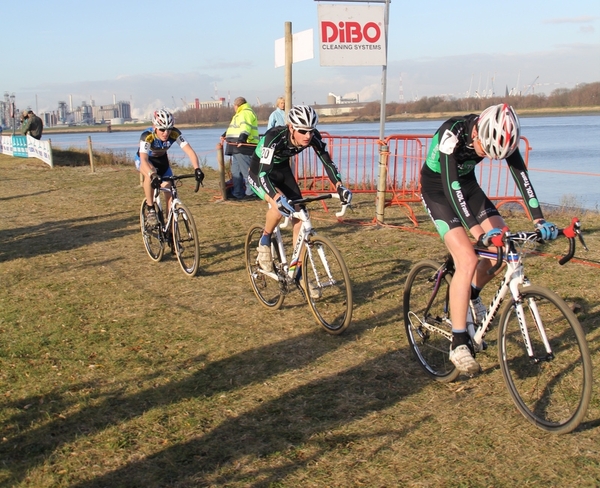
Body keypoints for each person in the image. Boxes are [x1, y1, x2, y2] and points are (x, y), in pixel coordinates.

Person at [420, 103, 559, 375]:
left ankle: (470, 294)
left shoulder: (503, 137)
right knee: (468, 258)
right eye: (486, 151)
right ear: (477, 135)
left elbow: (521, 177)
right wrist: (478, 233)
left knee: (503, 248)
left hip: (468, 186)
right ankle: (459, 342)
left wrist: (539, 219)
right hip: (439, 190)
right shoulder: (453, 133)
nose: (489, 157)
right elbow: (451, 187)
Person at [247, 105, 352, 295]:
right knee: (278, 206)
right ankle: (264, 240)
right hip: (259, 172)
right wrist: (277, 198)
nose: (307, 136)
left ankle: (298, 273)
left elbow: (327, 161)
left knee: (301, 215)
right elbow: (263, 174)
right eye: (302, 131)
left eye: (311, 131)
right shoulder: (274, 137)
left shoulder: (313, 136)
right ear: (290, 127)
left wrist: (340, 186)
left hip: (282, 171)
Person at [135, 109, 204, 229]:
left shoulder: (175, 133)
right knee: (150, 174)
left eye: (169, 129)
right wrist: (152, 175)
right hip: (145, 161)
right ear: (154, 127)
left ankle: (170, 228)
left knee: (170, 190)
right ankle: (151, 209)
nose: (166, 133)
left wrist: (197, 169)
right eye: (162, 129)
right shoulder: (147, 136)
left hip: (162, 161)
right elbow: (144, 160)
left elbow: (189, 151)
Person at [221, 97, 259, 200]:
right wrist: (225, 134)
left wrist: (242, 139)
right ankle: (237, 193)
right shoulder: (239, 114)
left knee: (246, 171)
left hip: (244, 146)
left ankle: (251, 193)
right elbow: (234, 127)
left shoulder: (245, 113)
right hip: (235, 146)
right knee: (236, 171)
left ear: (236, 105)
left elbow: (245, 127)